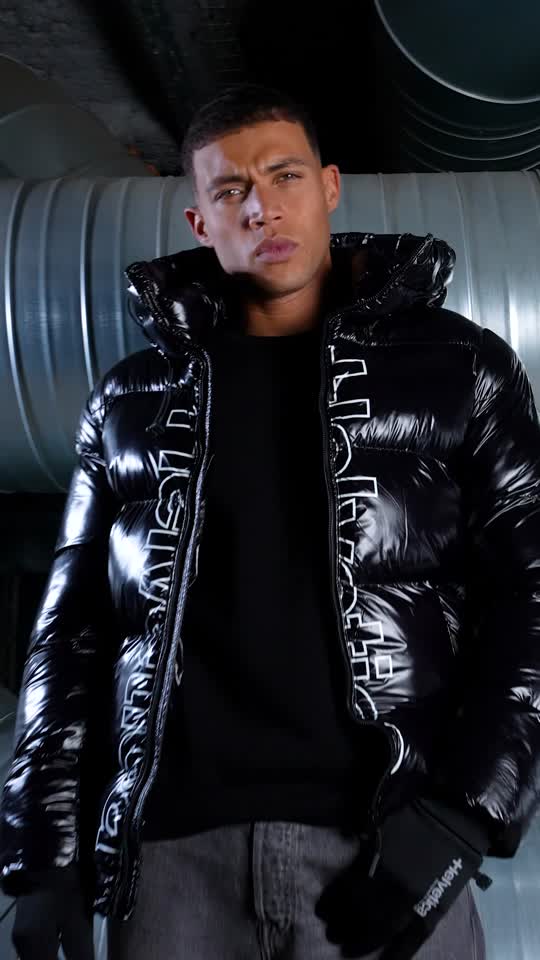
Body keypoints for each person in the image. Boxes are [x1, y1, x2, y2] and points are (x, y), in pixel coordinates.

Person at [1, 82, 540, 960]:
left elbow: (531, 593)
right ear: (200, 222)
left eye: (284, 176)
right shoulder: (130, 402)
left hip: (386, 845)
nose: (261, 207)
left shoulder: (461, 367)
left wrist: (462, 817)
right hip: (172, 867)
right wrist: (43, 852)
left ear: (329, 187)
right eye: (231, 190)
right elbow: (71, 630)